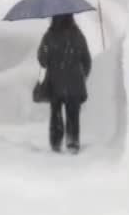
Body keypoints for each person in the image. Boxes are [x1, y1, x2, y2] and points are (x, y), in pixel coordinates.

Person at [37, 14, 92, 153]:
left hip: (55, 82)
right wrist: (81, 76)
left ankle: (56, 142)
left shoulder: (49, 35)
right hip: (75, 83)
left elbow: (42, 59)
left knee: (55, 113)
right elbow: (87, 60)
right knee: (73, 114)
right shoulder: (77, 35)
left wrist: (47, 55)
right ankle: (72, 142)